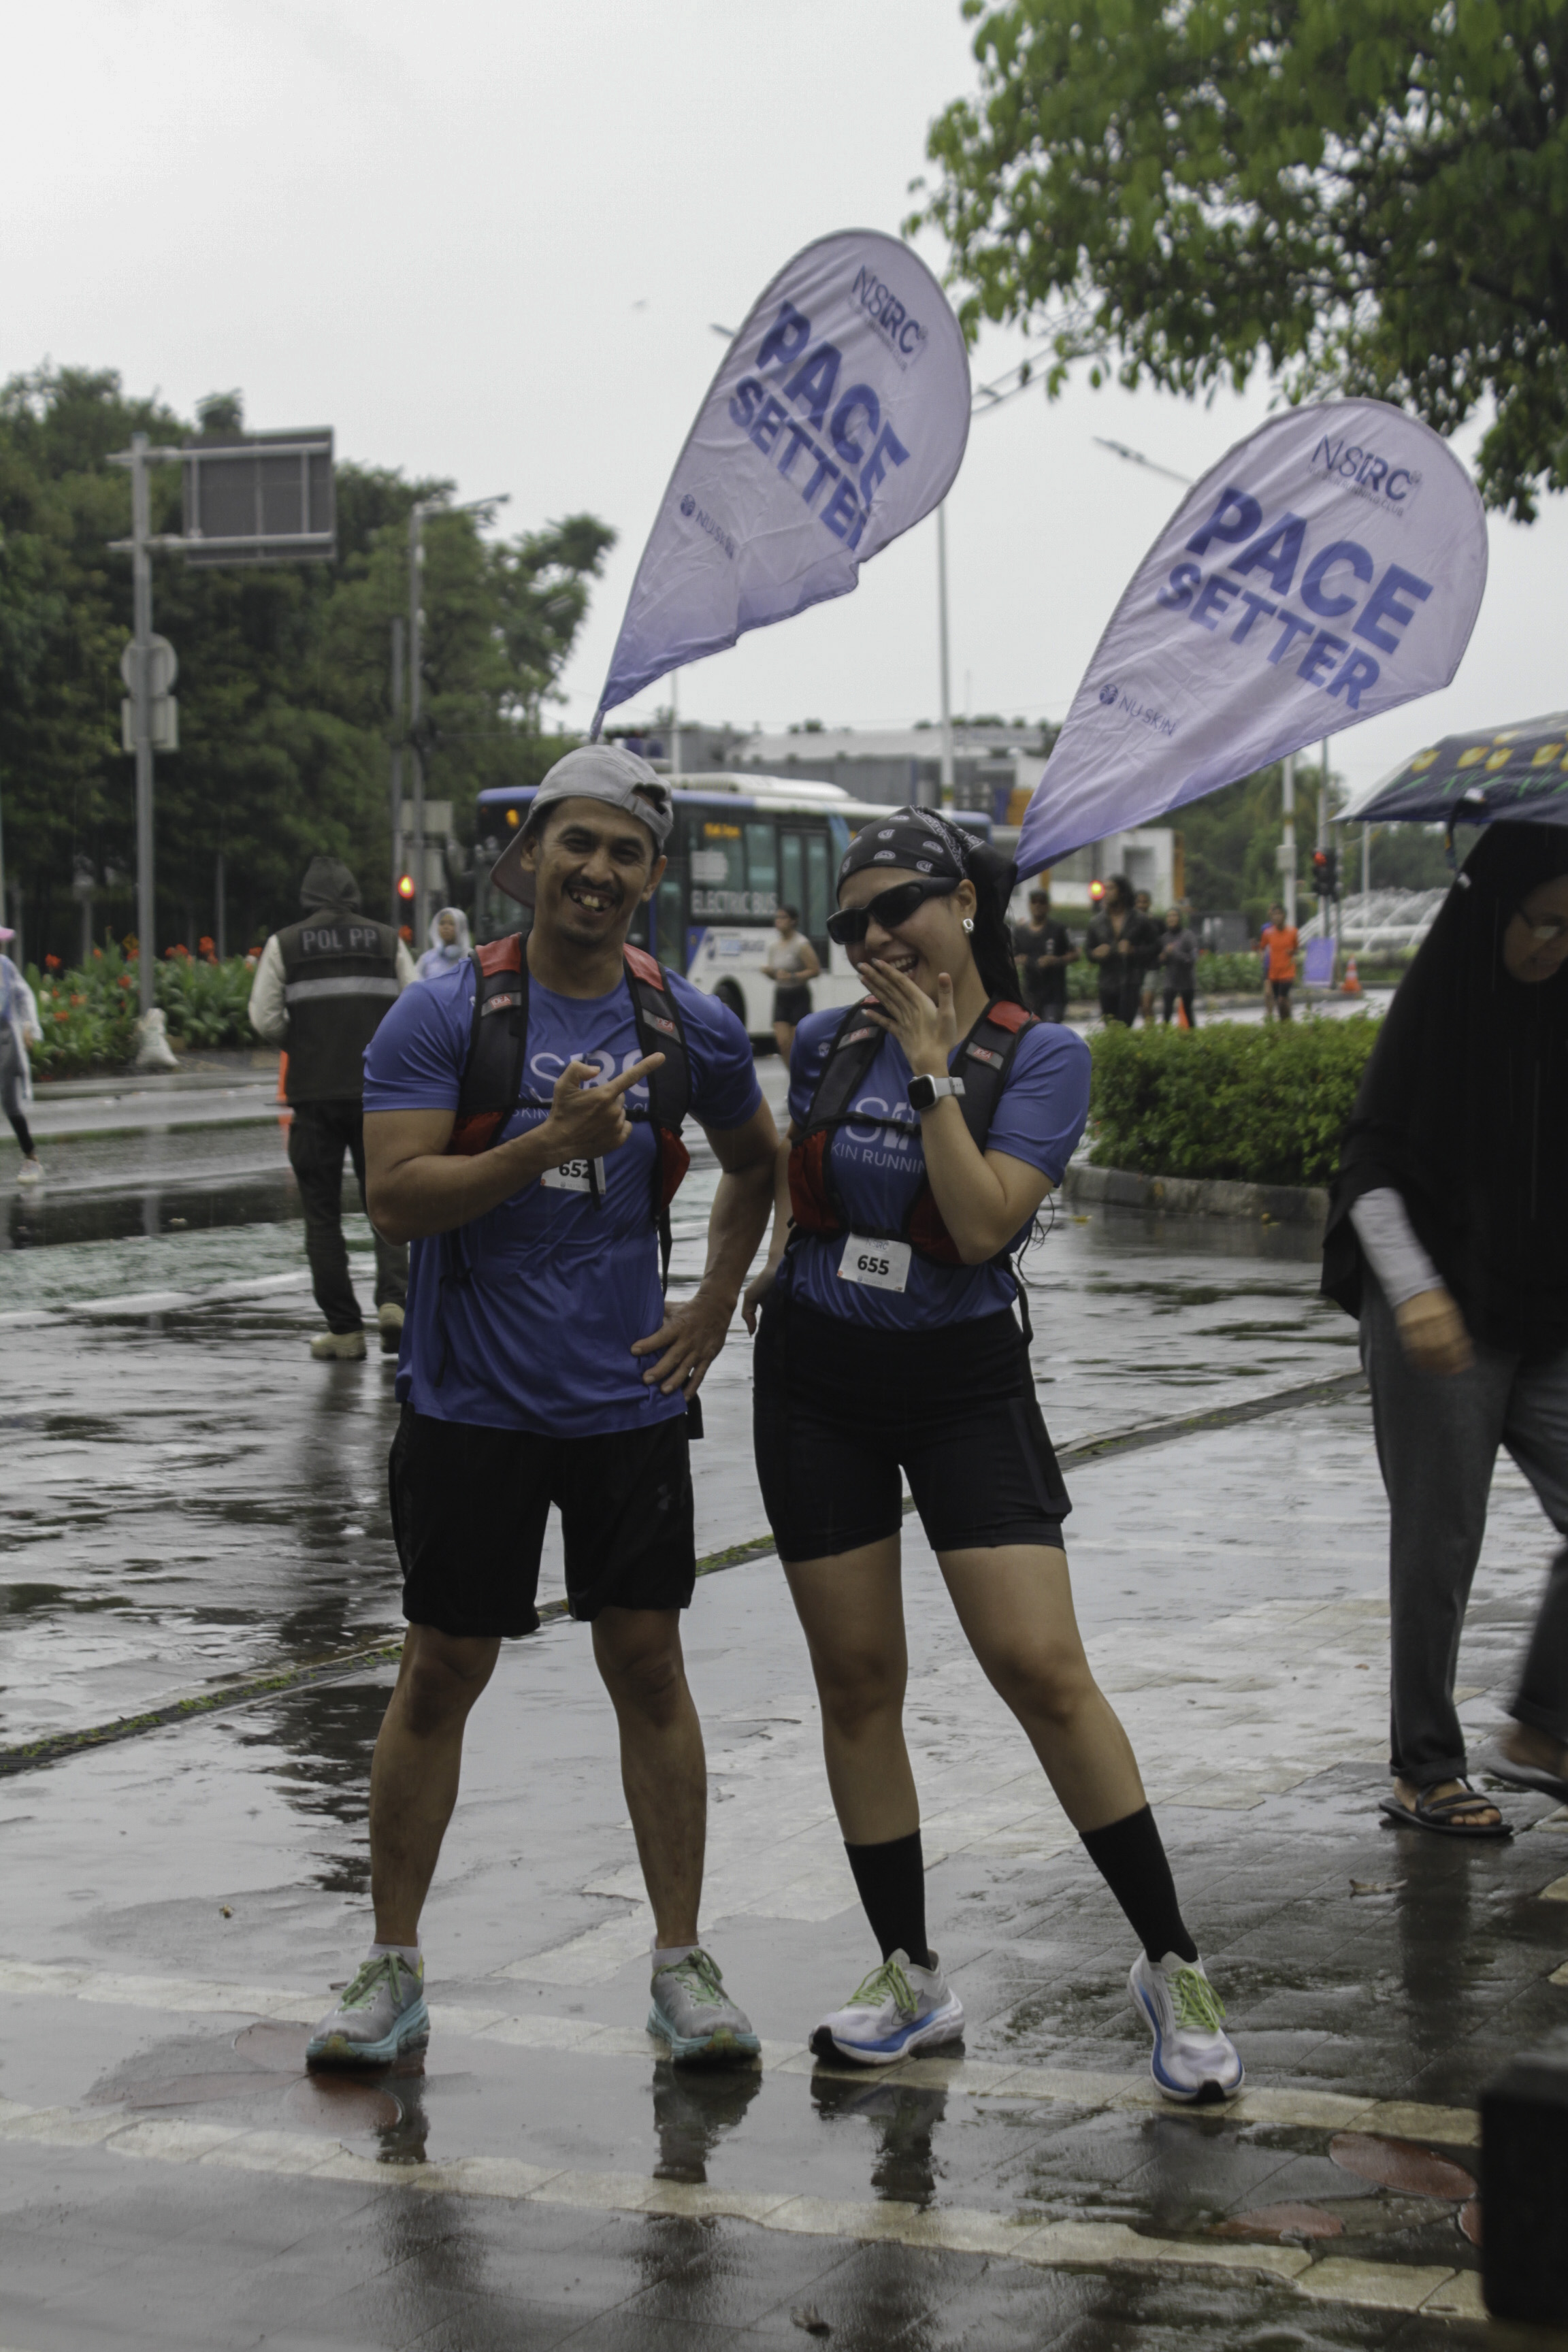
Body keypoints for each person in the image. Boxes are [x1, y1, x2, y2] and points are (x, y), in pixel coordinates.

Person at [740, 806, 1243, 2102]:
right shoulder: (822, 1041)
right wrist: (772, 1269)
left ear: (961, 903)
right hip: (814, 1383)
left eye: (894, 908)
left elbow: (975, 1229)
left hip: (960, 1383)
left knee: (1040, 1667)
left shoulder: (1040, 1056)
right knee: (856, 1678)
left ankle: (1169, 1961)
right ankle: (907, 1972)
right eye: (850, 922)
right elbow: (810, 1190)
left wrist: (928, 1073)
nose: (871, 938)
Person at [305, 743, 779, 2072]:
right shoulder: (446, 1013)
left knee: (649, 1668)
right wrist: (546, 1147)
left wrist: (711, 1304)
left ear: (651, 877)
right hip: (472, 1407)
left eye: (626, 852)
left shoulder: (687, 1026)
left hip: (626, 1407)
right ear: (531, 855)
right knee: (438, 1672)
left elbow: (759, 1161)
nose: (598, 871)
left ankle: (681, 1969)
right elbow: (394, 1198)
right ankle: (392, 1969)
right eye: (579, 842)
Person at [1322, 822, 1568, 1835]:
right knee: (1439, 1545)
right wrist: (1414, 1289)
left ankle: (1542, 1730)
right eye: (1539, 923)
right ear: (1490, 911)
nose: (1552, 946)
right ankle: (1425, 1768)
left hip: (1545, 1309)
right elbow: (1372, 1165)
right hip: (1434, 1308)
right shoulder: (1438, 1016)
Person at [248, 858, 414, 1360]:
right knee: (388, 1203)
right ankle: (395, 1304)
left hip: (314, 1095)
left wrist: (306, 1044)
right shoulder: (386, 941)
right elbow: (417, 1007)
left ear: (308, 898)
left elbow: (264, 1018)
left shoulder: (285, 944)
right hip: (379, 1094)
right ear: (352, 893)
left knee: (321, 1216)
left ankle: (345, 1332)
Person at [1085, 877, 1158, 1028]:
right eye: (1105, 888)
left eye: (1111, 888)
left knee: (1124, 1027)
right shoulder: (1096, 922)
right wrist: (1096, 954)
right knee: (1110, 1027)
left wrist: (1134, 950)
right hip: (1106, 983)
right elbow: (1088, 951)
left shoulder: (1140, 920)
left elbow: (1156, 947)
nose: (1107, 892)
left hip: (1131, 982)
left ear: (1123, 892)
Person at [0, 930, 42, 1186]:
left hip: (5, 1039)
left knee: (10, 1102)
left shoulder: (5, 967)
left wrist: (29, 1026)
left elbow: (24, 995)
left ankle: (31, 1158)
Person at [763, 904, 821, 1062]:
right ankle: (792, 1074)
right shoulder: (774, 946)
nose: (778, 921)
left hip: (798, 995)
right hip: (781, 996)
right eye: (777, 917)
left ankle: (801, 1071)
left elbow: (815, 970)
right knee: (783, 1044)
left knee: (797, 1042)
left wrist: (792, 976)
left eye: (783, 917)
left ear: (793, 921)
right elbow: (777, 976)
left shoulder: (801, 944)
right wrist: (770, 973)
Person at [1012, 885, 1075, 1023]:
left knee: (1050, 1028)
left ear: (1048, 906)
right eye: (1034, 902)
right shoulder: (1020, 932)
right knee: (1032, 1030)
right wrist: (1020, 960)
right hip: (1030, 994)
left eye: (1042, 902)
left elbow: (1075, 954)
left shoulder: (1059, 929)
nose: (1038, 905)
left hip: (1055, 995)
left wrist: (1056, 960)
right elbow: (1011, 957)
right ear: (1029, 905)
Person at [1157, 906, 1200, 1028]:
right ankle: (1165, 1036)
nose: (1171, 918)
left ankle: (1193, 1036)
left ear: (1180, 918)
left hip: (1186, 981)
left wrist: (1175, 952)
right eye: (1169, 916)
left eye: (1174, 916)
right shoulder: (1164, 938)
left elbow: (1192, 959)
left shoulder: (1188, 936)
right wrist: (1163, 958)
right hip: (1170, 981)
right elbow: (1161, 960)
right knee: (1167, 1012)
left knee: (1188, 1011)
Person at [1261, 902, 1298, 1021]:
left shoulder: (1293, 932)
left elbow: (1297, 949)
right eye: (1274, 914)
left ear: (1284, 916)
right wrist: (1262, 957)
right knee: (1279, 1002)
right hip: (1274, 974)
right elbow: (1262, 947)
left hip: (1288, 972)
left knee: (1282, 999)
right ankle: (1286, 1023)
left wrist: (1292, 952)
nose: (1276, 917)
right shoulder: (1268, 933)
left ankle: (1287, 1023)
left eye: (1279, 914)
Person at [417, 906, 472, 983]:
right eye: (442, 923)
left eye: (451, 924)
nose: (446, 927)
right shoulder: (427, 959)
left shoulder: (470, 958)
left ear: (460, 928)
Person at [1134, 889, 1160, 1025]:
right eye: (1138, 902)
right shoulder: (1130, 923)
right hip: (1136, 968)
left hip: (1152, 967)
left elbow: (1162, 941)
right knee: (1141, 1006)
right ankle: (1150, 1029)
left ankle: (1152, 1032)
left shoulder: (1156, 922)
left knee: (1147, 1004)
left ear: (1149, 903)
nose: (1141, 905)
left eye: (1144, 902)